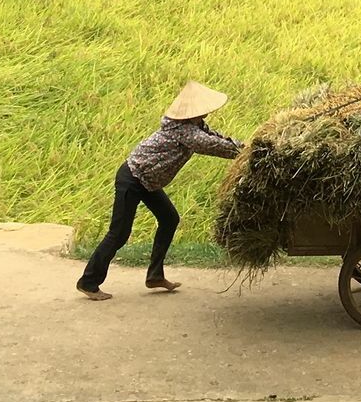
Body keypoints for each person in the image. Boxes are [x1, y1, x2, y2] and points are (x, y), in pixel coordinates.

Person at [77, 81, 242, 301]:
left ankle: (155, 276)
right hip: (133, 179)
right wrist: (245, 152)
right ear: (193, 112)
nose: (208, 114)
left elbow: (217, 138)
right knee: (119, 233)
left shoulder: (196, 125)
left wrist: (244, 146)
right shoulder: (183, 131)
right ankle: (88, 282)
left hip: (148, 183)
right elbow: (213, 146)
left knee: (169, 219)